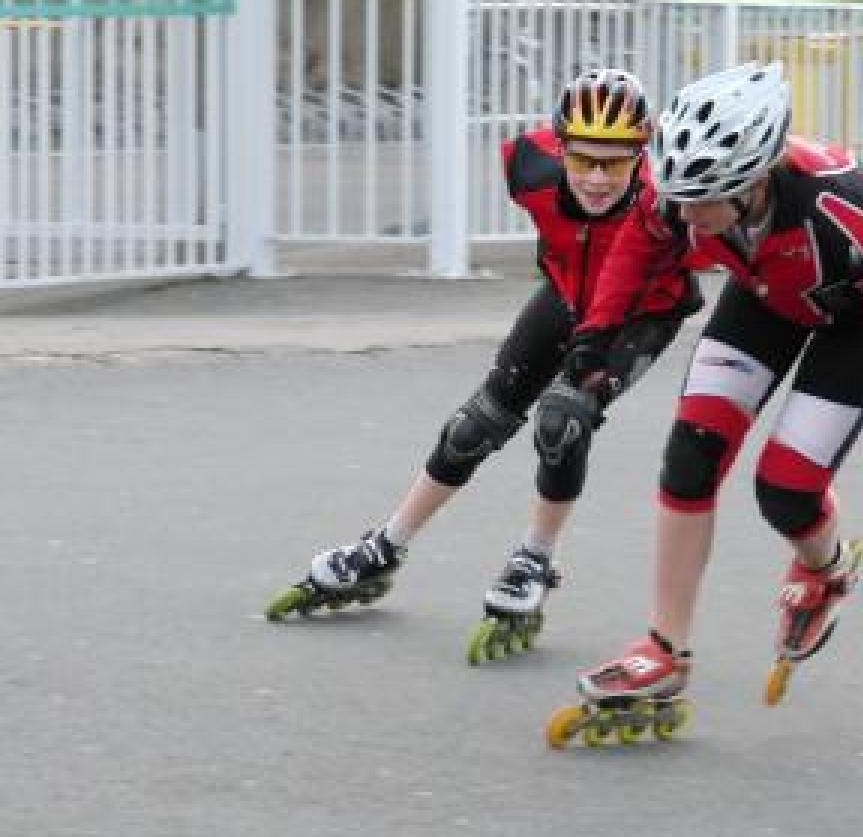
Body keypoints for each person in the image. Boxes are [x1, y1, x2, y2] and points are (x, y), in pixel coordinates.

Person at [567, 60, 863, 709]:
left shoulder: (840, 214)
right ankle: (665, 649)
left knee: (786, 490)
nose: (686, 215)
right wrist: (596, 333)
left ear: (754, 181)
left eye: (703, 200)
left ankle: (826, 569)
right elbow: (638, 246)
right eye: (679, 196)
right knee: (690, 456)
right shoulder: (681, 188)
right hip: (766, 295)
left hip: (856, 318)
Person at [265, 68, 700, 662]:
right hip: (567, 297)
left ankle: (534, 559)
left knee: (564, 420)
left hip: (641, 314)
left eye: (615, 163)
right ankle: (385, 545)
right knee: (477, 424)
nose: (597, 178)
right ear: (560, 148)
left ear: (641, 157)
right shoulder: (528, 167)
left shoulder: (670, 199)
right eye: (584, 160)